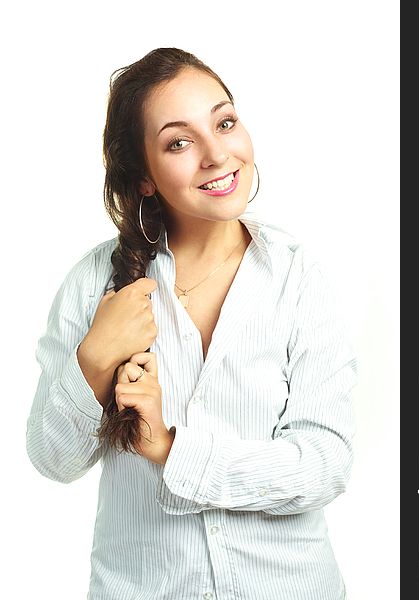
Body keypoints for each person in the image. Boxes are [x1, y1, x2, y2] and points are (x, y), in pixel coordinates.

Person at [26, 47, 357, 600]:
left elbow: (325, 465)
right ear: (145, 178)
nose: (215, 154)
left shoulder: (298, 278)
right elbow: (52, 459)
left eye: (224, 122)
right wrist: (94, 361)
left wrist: (171, 449)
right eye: (179, 142)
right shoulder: (94, 284)